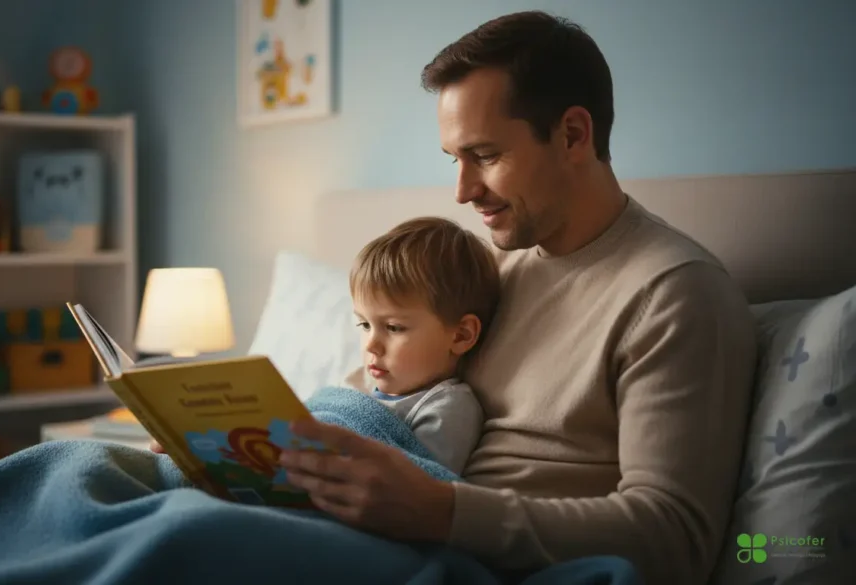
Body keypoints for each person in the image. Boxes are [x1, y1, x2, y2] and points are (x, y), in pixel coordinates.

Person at [273, 10, 758, 585]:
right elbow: (376, 402)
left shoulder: (674, 293)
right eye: (455, 159)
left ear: (573, 135)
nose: (462, 191)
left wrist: (439, 510)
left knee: (194, 534)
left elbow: (674, 538)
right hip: (395, 536)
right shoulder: (486, 270)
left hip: (473, 560)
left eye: (485, 156)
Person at [344, 216, 500, 474]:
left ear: (460, 335)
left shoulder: (447, 409)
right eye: (364, 325)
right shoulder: (360, 382)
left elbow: (415, 485)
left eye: (394, 328)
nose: (371, 345)